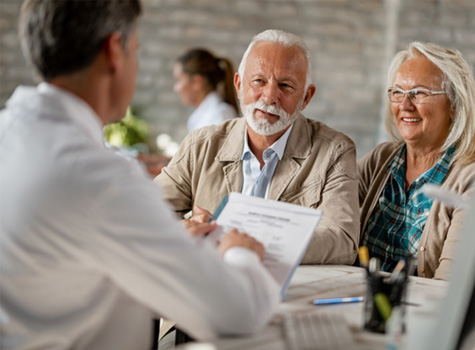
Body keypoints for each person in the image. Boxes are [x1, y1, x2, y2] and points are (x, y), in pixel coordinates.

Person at [0, 1, 280, 349]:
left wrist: (165, 240)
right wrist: (240, 252)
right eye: (136, 51)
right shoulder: (101, 178)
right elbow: (239, 313)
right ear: (114, 50)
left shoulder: (9, 133)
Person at [156, 29, 360, 265]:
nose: (270, 96)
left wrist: (247, 243)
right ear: (239, 85)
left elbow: (343, 240)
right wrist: (183, 229)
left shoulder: (335, 152)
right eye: (259, 81)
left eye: (285, 85)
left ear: (306, 97)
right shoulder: (199, 145)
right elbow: (146, 212)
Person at [358, 41, 475, 280]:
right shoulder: (381, 159)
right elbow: (327, 202)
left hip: (420, 311)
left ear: (454, 104)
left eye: (420, 93)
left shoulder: (468, 180)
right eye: (398, 92)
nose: (405, 105)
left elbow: (447, 287)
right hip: (357, 299)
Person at [173, 48, 239, 132]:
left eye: (179, 80)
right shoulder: (202, 115)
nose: (176, 88)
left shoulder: (220, 114)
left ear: (197, 82)